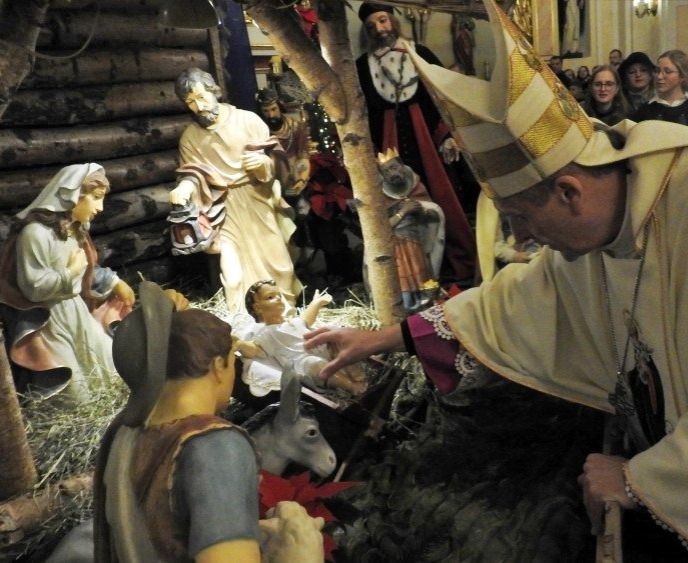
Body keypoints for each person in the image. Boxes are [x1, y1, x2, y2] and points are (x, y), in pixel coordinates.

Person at [303, 1, 688, 560]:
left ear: (568, 191)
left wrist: (644, 480)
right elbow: (523, 297)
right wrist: (386, 338)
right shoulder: (612, 212)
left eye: (521, 220)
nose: (526, 241)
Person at [94, 281, 324, 562]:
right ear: (218, 367)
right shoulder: (216, 446)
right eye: (231, 362)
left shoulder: (123, 432)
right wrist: (300, 550)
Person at [355, 3, 477, 283]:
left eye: (383, 21)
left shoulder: (420, 53)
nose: (379, 29)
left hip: (425, 134)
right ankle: (411, 269)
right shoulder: (362, 66)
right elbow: (364, 112)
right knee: (397, 201)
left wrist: (446, 135)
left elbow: (441, 94)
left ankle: (457, 261)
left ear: (393, 20)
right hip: (389, 142)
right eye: (371, 26)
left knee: (441, 193)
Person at [168, 67, 302, 314]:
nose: (199, 107)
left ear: (214, 91)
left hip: (257, 199)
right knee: (233, 276)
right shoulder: (190, 137)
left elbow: (276, 159)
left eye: (202, 97)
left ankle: (285, 315)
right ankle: (243, 320)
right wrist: (185, 186)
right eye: (190, 102)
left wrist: (263, 164)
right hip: (222, 210)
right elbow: (192, 173)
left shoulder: (247, 120)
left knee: (280, 265)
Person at [0, 163, 135, 401]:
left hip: (76, 311)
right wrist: (69, 272)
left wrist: (113, 282)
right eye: (96, 198)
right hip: (49, 320)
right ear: (73, 195)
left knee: (116, 375)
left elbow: (87, 272)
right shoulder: (35, 234)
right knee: (76, 398)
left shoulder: (75, 231)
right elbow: (33, 288)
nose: (100, 208)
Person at [235, 280, 367, 396]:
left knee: (335, 341)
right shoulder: (267, 333)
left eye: (279, 295)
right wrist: (240, 344)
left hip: (319, 349)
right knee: (316, 364)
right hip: (304, 362)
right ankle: (350, 386)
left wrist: (317, 302)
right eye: (270, 297)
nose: (278, 298)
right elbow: (255, 350)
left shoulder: (293, 321)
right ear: (258, 308)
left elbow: (306, 319)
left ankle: (357, 375)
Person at [377, 148, 444, 311]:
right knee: (405, 284)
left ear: (402, 167)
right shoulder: (381, 198)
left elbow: (430, 217)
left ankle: (426, 307)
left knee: (422, 279)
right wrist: (403, 212)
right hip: (397, 248)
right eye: (386, 172)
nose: (391, 174)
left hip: (416, 245)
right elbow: (380, 229)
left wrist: (422, 211)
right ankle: (408, 310)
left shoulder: (416, 188)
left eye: (393, 168)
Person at [630, 50, 688, 129]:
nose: (659, 76)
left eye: (667, 71)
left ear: (682, 76)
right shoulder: (644, 111)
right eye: (657, 71)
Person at [256, 87, 312, 195]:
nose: (271, 115)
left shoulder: (296, 127)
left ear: (280, 107)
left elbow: (304, 157)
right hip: (272, 184)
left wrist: (301, 180)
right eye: (266, 111)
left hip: (296, 178)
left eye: (274, 109)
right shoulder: (260, 133)